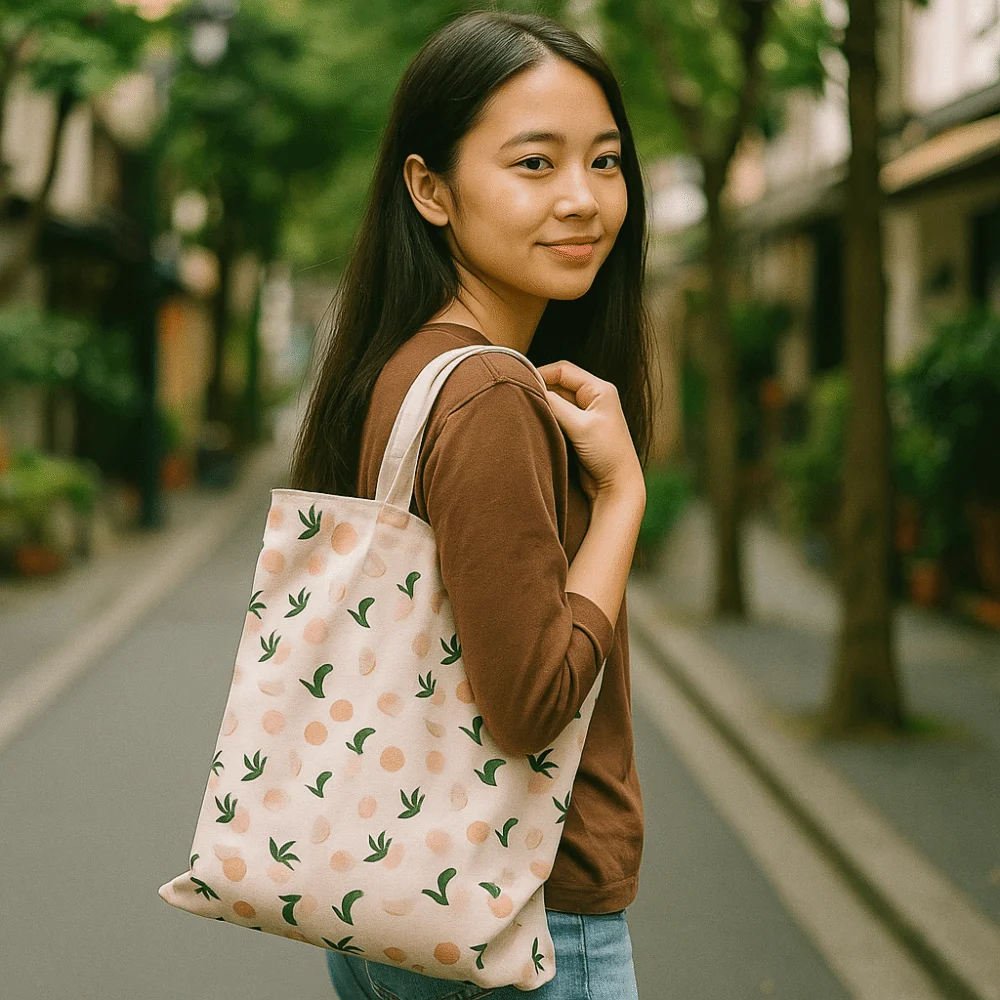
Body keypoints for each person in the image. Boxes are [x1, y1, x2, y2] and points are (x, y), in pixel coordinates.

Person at [289, 8, 656, 998]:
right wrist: (621, 497)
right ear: (430, 188)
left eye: (606, 162)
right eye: (534, 164)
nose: (583, 200)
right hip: (521, 913)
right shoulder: (489, 392)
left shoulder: (405, 368)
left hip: (389, 894)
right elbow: (529, 702)